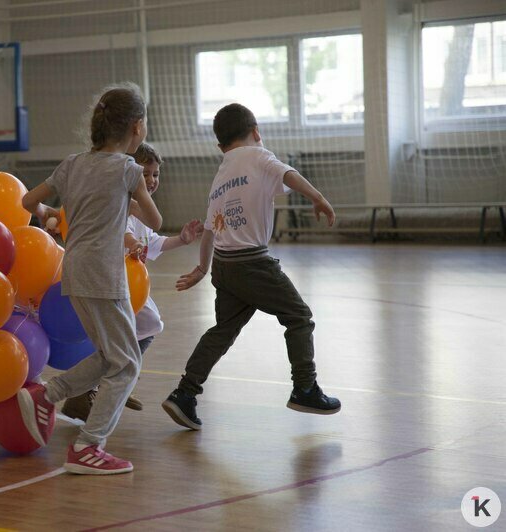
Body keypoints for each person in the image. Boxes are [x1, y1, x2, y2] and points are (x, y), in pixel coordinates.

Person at [161, 103, 341, 431]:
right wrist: (318, 197)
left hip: (224, 267)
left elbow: (210, 229)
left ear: (220, 146)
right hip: (252, 263)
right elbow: (289, 173)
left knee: (222, 331)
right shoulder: (259, 156)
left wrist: (202, 268)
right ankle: (305, 388)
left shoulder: (220, 176)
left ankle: (184, 394)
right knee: (299, 317)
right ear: (256, 132)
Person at [19, 83, 162, 475]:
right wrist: (131, 199)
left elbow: (27, 202)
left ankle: (47, 396)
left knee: (109, 354)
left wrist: (52, 214)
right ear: (136, 127)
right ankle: (88, 446)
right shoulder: (128, 170)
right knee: (128, 364)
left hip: (75, 271)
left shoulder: (72, 164)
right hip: (103, 273)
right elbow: (155, 222)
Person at [61, 142, 203, 421]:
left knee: (131, 334)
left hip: (129, 283)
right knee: (143, 327)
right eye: (145, 174)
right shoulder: (119, 201)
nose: (151, 181)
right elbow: (122, 233)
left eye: (156, 174)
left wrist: (181, 240)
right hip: (110, 279)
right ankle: (112, 383)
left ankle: (95, 390)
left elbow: (152, 243)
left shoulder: (143, 206)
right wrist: (134, 243)